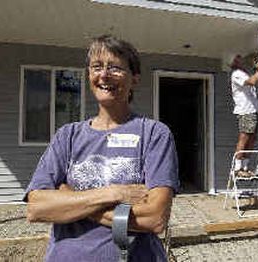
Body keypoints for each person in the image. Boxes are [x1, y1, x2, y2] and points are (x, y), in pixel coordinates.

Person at [24, 35, 179, 261]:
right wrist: (113, 193)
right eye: (96, 67)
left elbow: (154, 218)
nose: (104, 75)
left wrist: (70, 199)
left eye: (115, 67)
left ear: (135, 79)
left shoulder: (154, 134)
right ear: (89, 75)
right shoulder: (67, 136)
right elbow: (36, 208)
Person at [230, 55, 258, 176]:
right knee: (244, 138)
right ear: (235, 62)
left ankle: (245, 167)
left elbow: (253, 79)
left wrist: (256, 70)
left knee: (252, 139)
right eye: (239, 58)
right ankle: (238, 169)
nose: (243, 60)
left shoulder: (244, 73)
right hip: (245, 111)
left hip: (252, 111)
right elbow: (252, 81)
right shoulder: (236, 73)